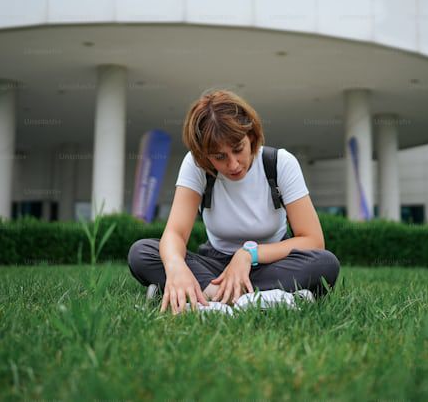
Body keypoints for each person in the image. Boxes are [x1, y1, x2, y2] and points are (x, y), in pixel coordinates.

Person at [127, 89, 340, 315]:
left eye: (238, 149)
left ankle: (204, 298)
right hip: (216, 266)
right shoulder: (195, 165)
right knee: (142, 253)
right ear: (204, 155)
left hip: (270, 262)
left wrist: (248, 254)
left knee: (325, 264)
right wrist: (175, 266)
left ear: (252, 136)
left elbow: (313, 241)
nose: (233, 164)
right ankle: (270, 298)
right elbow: (176, 234)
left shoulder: (280, 163)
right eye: (219, 157)